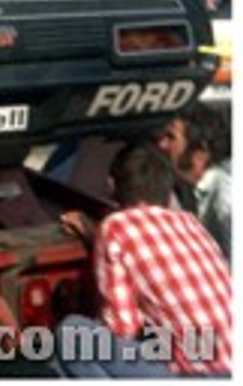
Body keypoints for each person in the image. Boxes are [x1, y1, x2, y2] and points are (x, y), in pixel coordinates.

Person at [57, 142, 231, 377]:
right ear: (168, 191)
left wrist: (98, 239)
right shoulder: (191, 223)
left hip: (195, 373)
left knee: (72, 332)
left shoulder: (115, 228)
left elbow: (122, 327)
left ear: (111, 185)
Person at [156, 103, 231, 259]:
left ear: (200, 153)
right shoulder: (198, 190)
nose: (162, 144)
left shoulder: (226, 198)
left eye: (171, 138)